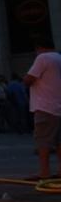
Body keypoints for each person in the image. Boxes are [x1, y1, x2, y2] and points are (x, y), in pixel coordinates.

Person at [24, 35, 61, 181]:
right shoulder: (59, 57)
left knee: (43, 141)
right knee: (59, 141)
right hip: (58, 105)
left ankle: (44, 172)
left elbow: (29, 79)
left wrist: (25, 78)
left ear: (39, 48)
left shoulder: (43, 58)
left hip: (45, 106)